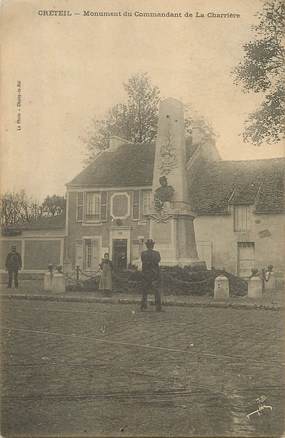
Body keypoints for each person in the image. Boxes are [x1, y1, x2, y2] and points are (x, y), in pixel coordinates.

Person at [140, 239, 162, 311]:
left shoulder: (143, 253)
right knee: (157, 291)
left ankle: (143, 306)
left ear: (146, 246)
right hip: (154, 274)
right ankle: (158, 307)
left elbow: (143, 262)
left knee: (144, 291)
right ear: (153, 245)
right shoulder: (156, 253)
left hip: (146, 274)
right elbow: (158, 261)